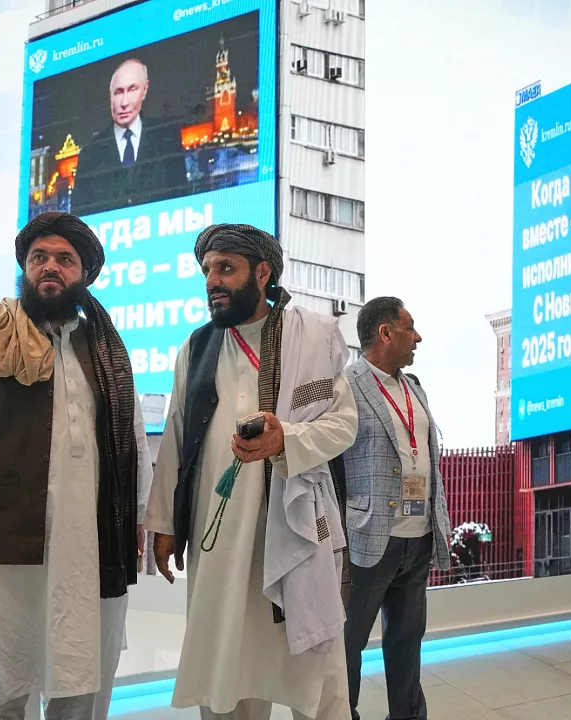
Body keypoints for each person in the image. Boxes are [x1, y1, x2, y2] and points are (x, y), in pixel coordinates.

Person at [0, 212, 152, 720]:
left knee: (80, 666)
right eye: (38, 258)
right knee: (2, 669)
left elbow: (133, 443)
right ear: (25, 269)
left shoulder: (108, 353)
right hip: (9, 541)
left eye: (64, 259)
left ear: (85, 274)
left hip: (90, 542)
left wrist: (137, 518)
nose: (50, 267)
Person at [146, 223, 358, 720]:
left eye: (226, 268)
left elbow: (344, 424)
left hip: (295, 525)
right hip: (216, 537)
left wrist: (287, 438)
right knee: (227, 664)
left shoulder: (314, 336)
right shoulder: (196, 348)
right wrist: (163, 524)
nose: (212, 281)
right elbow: (176, 439)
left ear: (262, 273)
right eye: (207, 271)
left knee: (317, 668)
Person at [340, 298, 451, 720]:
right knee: (349, 642)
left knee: (407, 638)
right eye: (410, 327)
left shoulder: (414, 387)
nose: (418, 337)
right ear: (385, 333)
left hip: (417, 536)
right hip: (370, 536)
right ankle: (340, 713)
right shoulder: (346, 386)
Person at [71, 58, 188, 216]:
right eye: (118, 92)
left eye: (132, 89)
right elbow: (79, 222)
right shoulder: (89, 155)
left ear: (145, 90)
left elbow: (182, 202)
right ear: (110, 96)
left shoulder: (167, 138)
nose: (124, 102)